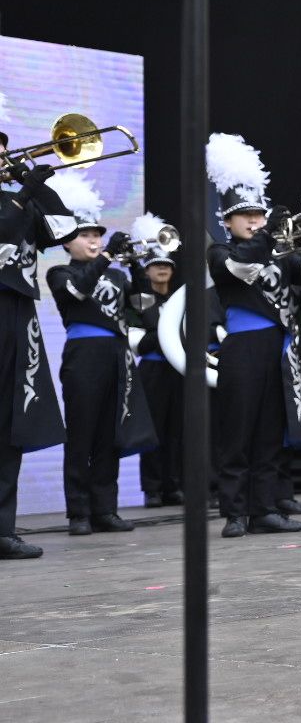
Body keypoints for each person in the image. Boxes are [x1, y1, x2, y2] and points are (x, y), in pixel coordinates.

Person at [206, 133, 301, 538]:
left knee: (270, 432)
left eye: (259, 216)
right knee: (237, 430)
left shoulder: (278, 252)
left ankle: (263, 509)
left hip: (278, 348)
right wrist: (266, 236)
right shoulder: (220, 252)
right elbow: (242, 268)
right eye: (246, 217)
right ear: (227, 222)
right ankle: (235, 512)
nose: (255, 221)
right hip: (242, 346)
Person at [43, 174, 155, 535]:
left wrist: (137, 265)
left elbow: (144, 307)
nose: (93, 241)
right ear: (68, 242)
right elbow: (78, 291)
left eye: (97, 235)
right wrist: (107, 257)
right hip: (84, 355)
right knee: (82, 434)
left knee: (110, 433)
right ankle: (78, 511)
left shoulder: (118, 275)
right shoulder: (60, 273)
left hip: (117, 355)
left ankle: (105, 509)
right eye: (85, 235)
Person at [0, 130, 73, 559]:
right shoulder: (13, 203)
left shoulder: (21, 198)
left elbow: (66, 228)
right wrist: (26, 189)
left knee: (11, 426)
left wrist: (38, 183)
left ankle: (3, 531)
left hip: (18, 316)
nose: (4, 157)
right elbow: (4, 225)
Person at [127, 213, 185, 508]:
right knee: (152, 430)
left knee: (176, 430)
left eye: (166, 265)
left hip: (177, 369)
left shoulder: (179, 302)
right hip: (151, 368)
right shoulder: (137, 302)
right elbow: (138, 341)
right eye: (155, 265)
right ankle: (151, 488)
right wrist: (162, 331)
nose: (161, 269)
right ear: (146, 271)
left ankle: (172, 485)